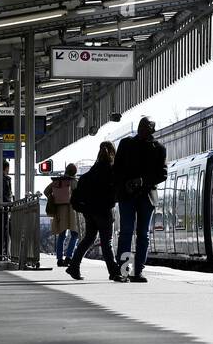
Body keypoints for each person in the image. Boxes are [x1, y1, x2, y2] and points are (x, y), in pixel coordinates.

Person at [113, 117, 167, 283]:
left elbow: (162, 174)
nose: (143, 129)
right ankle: (124, 270)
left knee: (142, 234)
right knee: (127, 232)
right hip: (128, 195)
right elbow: (117, 169)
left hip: (146, 196)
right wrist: (125, 184)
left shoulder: (159, 148)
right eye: (142, 126)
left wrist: (142, 181)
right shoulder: (126, 144)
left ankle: (138, 271)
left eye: (147, 127)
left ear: (152, 129)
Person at [66, 143, 123, 282]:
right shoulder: (112, 171)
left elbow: (75, 199)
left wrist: (85, 209)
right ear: (112, 154)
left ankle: (74, 266)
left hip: (90, 213)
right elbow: (116, 194)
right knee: (106, 242)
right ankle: (114, 272)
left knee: (89, 238)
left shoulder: (88, 175)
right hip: (104, 212)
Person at [44, 164, 80, 267]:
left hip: (60, 211)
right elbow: (80, 194)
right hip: (72, 211)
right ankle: (68, 257)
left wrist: (54, 198)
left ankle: (59, 259)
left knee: (61, 235)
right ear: (74, 172)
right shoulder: (74, 182)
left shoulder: (57, 181)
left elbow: (46, 191)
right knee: (75, 235)